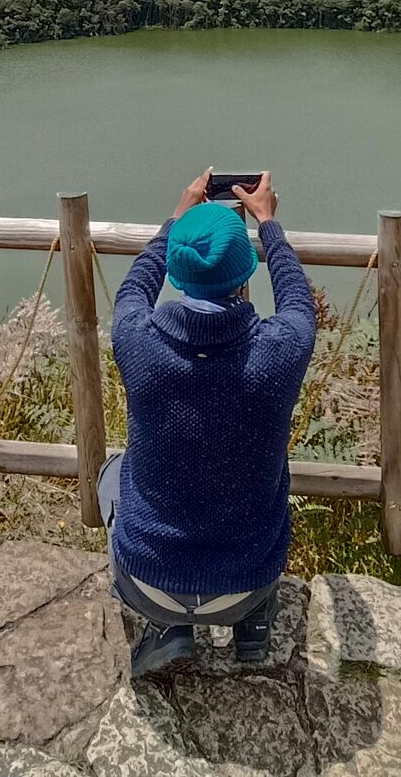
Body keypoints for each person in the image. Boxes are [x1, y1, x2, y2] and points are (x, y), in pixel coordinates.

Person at [97, 168, 317, 676]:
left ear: (176, 272)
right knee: (270, 477)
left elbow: (134, 288)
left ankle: (168, 628)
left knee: (114, 474)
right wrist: (269, 224)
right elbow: (299, 303)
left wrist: (176, 219)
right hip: (248, 579)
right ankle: (254, 622)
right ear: (245, 275)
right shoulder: (278, 352)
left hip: (147, 581)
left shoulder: (138, 340)